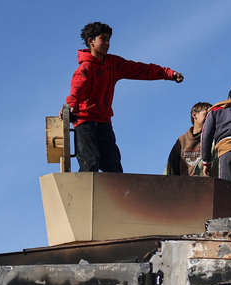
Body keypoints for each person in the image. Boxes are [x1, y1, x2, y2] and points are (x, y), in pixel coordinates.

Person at [66, 22, 184, 173]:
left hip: (103, 121)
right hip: (84, 121)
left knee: (113, 164)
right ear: (91, 41)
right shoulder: (86, 68)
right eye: (103, 39)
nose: (107, 43)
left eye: (109, 39)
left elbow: (140, 70)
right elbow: (77, 88)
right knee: (90, 161)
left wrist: (168, 73)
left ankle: (117, 196)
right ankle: (83, 195)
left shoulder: (113, 64)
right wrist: (72, 106)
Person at [165, 101, 212, 176]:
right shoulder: (182, 140)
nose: (210, 118)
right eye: (207, 114)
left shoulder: (213, 139)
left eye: (212, 116)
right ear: (194, 115)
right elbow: (171, 168)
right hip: (185, 185)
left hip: (208, 184)